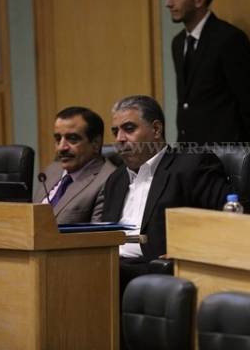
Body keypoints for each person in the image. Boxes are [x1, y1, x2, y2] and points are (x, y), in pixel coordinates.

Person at [99, 95, 232, 290]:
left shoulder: (191, 165)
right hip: (111, 262)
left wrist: (188, 252)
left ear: (156, 129)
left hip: (155, 268)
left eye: (129, 129)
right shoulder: (116, 179)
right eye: (115, 131)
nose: (119, 138)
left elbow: (227, 221)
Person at [166, 0, 250, 145]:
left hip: (225, 153)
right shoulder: (178, 43)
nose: (168, 3)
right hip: (190, 152)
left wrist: (242, 154)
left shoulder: (229, 39)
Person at [33, 106, 116, 223]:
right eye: (58, 139)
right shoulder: (52, 170)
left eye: (72, 139)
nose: (61, 147)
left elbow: (97, 233)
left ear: (96, 143)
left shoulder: (108, 180)